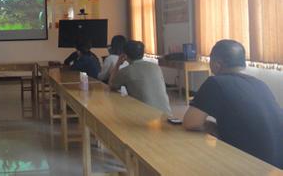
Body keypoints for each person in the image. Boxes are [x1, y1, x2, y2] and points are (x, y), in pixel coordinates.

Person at [183, 39, 283, 168]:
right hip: (277, 164)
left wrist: (212, 126)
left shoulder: (215, 83)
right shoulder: (260, 84)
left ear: (217, 64)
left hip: (251, 165)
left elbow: (191, 123)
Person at [109, 40, 171, 115]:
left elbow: (111, 85)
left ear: (124, 55)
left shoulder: (126, 71)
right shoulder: (156, 67)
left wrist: (118, 64)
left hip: (144, 116)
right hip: (166, 114)